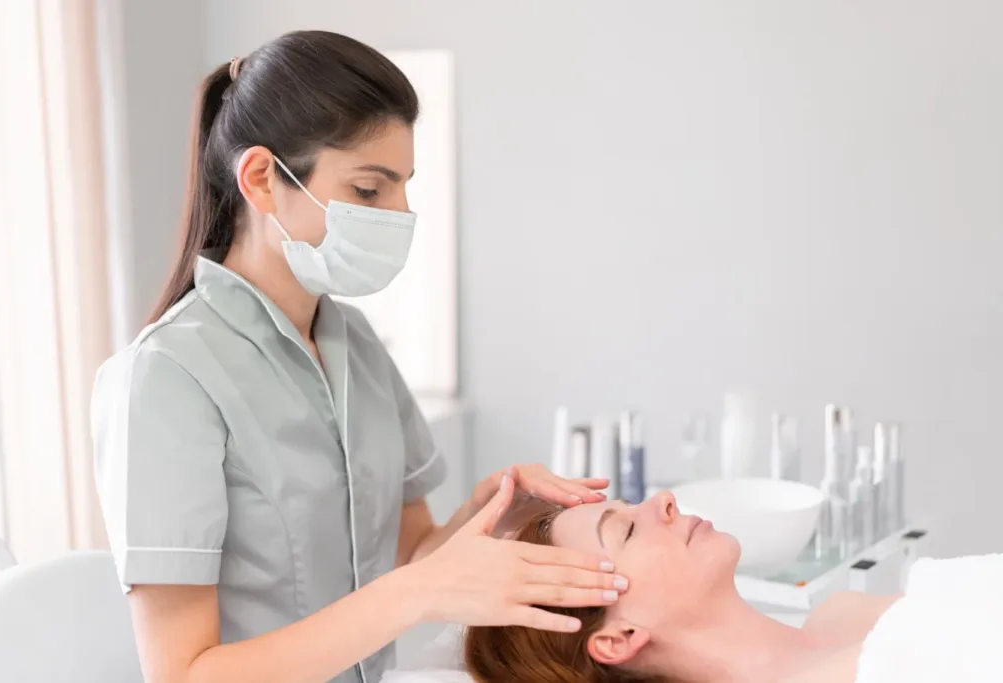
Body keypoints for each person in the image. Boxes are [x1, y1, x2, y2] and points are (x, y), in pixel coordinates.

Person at [90, 30, 628, 683]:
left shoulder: (356, 345)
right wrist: (414, 595)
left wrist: (492, 514)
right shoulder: (166, 377)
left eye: (404, 187)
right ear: (262, 178)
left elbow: (414, 551)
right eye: (371, 191)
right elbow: (184, 673)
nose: (400, 214)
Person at [465, 491, 903, 683]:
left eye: (631, 505)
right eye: (628, 532)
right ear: (621, 638)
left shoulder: (843, 611)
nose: (665, 499)